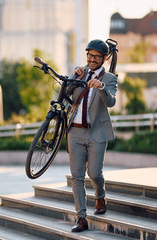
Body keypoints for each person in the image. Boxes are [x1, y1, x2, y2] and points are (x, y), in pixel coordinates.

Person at [66, 39, 118, 232]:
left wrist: (101, 87)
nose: (92, 59)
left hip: (97, 132)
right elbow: (65, 94)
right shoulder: (79, 72)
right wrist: (72, 77)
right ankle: (81, 218)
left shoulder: (109, 78)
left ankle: (100, 196)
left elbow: (111, 102)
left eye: (96, 56)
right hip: (75, 132)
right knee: (77, 177)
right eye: (90, 55)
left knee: (94, 173)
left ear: (104, 58)